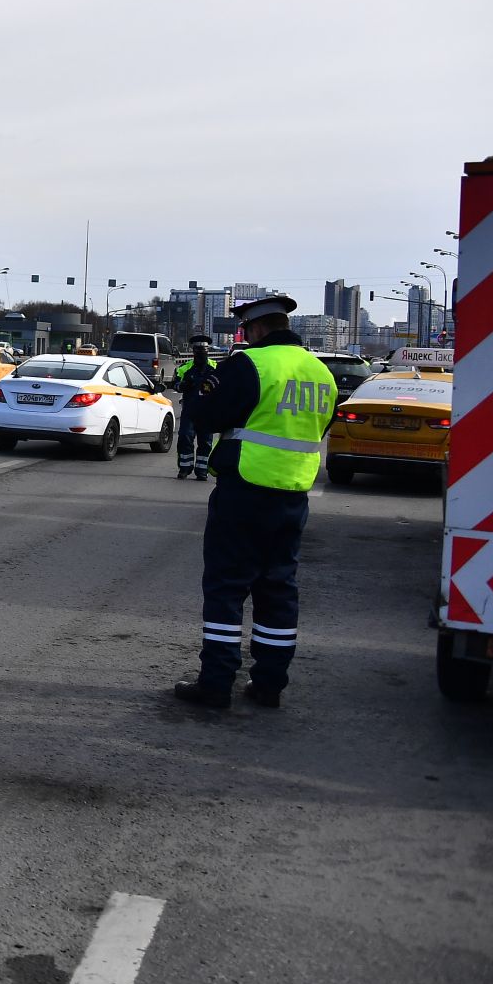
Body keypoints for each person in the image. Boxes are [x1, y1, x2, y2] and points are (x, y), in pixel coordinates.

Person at [173, 294, 334, 710]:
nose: (243, 337)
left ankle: (216, 683)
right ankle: (269, 684)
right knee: (277, 589)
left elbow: (207, 419)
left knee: (226, 587)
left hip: (245, 491)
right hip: (293, 496)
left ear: (258, 328)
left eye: (244, 330)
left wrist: (198, 392)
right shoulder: (322, 372)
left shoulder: (250, 365)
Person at [174, 334, 221, 480]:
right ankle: (185, 468)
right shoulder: (184, 368)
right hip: (190, 410)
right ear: (193, 351)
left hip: (208, 411)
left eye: (204, 349)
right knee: (184, 438)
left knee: (205, 442)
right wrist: (182, 385)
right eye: (198, 349)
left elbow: (224, 387)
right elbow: (175, 385)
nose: (201, 352)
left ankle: (202, 470)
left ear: (208, 350)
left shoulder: (216, 367)